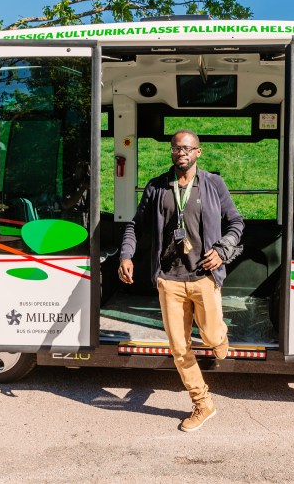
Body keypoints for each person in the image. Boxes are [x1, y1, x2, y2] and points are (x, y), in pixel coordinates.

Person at [119, 130, 244, 432]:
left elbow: (236, 223)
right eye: (176, 147)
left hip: (204, 276)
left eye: (187, 147)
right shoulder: (157, 187)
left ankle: (219, 337)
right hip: (170, 280)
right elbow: (134, 225)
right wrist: (126, 255)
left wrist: (223, 251)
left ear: (198, 152)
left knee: (213, 337)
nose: (181, 152)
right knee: (179, 348)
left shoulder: (213, 184)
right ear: (172, 152)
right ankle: (203, 403)